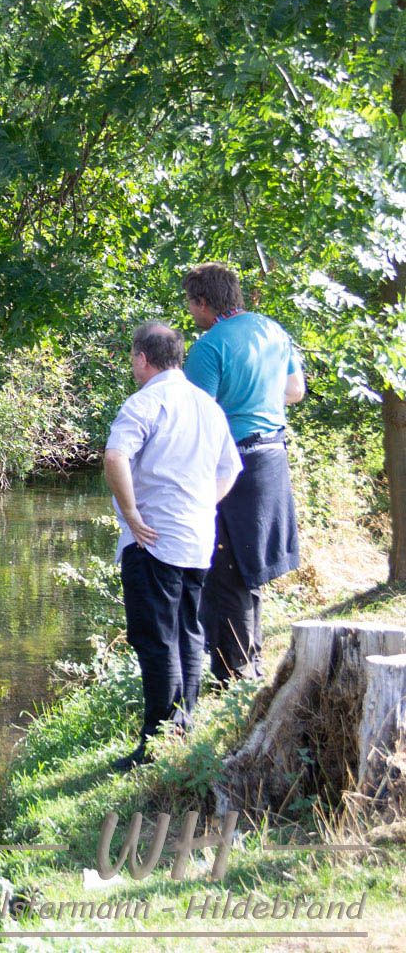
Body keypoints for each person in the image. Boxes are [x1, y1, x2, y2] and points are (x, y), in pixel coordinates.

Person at [105, 322, 241, 770]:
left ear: (143, 358)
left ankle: (155, 745)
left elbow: (115, 456)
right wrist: (202, 504)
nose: (131, 365)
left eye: (132, 358)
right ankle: (182, 729)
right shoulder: (208, 406)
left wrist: (132, 515)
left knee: (156, 640)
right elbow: (229, 470)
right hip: (197, 536)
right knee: (188, 633)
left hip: (154, 541)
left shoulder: (146, 402)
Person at [182, 262, 305, 684]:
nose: (191, 313)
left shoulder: (208, 347)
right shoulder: (273, 331)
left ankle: (233, 674)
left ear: (203, 302)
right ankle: (247, 663)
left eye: (191, 304)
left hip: (232, 466)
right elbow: (295, 391)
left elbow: (195, 417)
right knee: (249, 569)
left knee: (223, 571)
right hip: (272, 455)